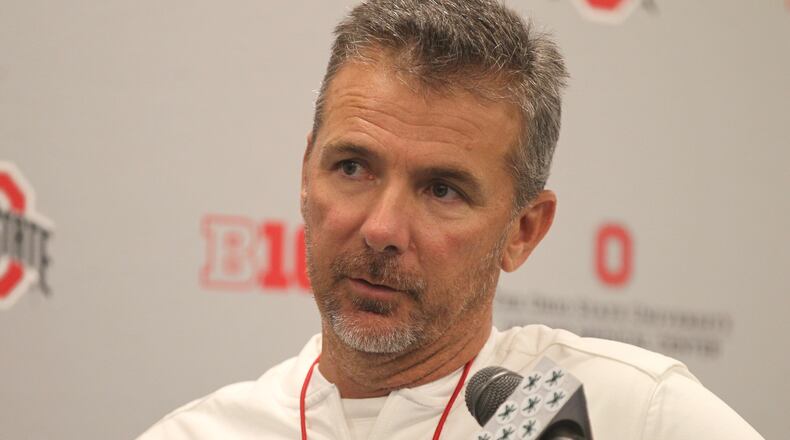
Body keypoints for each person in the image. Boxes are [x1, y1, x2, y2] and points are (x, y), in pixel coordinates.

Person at [139, 0, 764, 438]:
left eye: (442, 189)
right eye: (354, 167)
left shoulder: (624, 414)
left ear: (523, 230)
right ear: (306, 172)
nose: (382, 229)